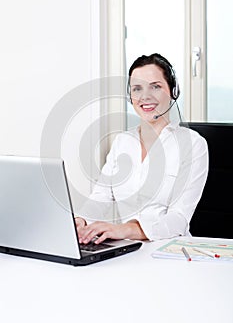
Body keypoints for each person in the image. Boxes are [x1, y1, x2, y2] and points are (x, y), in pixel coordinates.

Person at [75, 53, 209, 244]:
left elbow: (179, 218)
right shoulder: (122, 142)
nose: (145, 96)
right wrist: (82, 221)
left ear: (173, 91)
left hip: (171, 250)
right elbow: (101, 197)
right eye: (137, 89)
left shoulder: (193, 144)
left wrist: (127, 229)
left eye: (155, 86)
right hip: (127, 249)